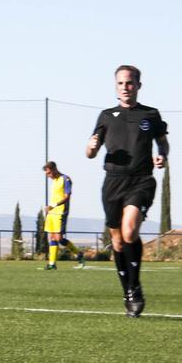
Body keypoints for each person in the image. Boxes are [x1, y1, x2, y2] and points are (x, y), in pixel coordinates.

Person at [86, 65, 168, 318]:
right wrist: (90, 147)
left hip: (141, 180)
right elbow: (90, 152)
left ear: (138, 86)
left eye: (130, 83)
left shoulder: (151, 115)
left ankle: (135, 289)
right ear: (116, 86)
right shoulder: (106, 116)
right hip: (113, 182)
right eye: (121, 83)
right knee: (118, 240)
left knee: (130, 230)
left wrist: (162, 155)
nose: (125, 87)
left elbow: (162, 141)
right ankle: (128, 290)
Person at [42, 161, 84, 270]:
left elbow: (67, 197)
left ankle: (79, 254)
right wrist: (49, 208)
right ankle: (52, 264)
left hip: (60, 212)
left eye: (49, 173)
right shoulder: (54, 181)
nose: (48, 176)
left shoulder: (65, 179)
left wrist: (54, 205)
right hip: (52, 212)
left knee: (59, 238)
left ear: (54, 169)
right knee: (52, 237)